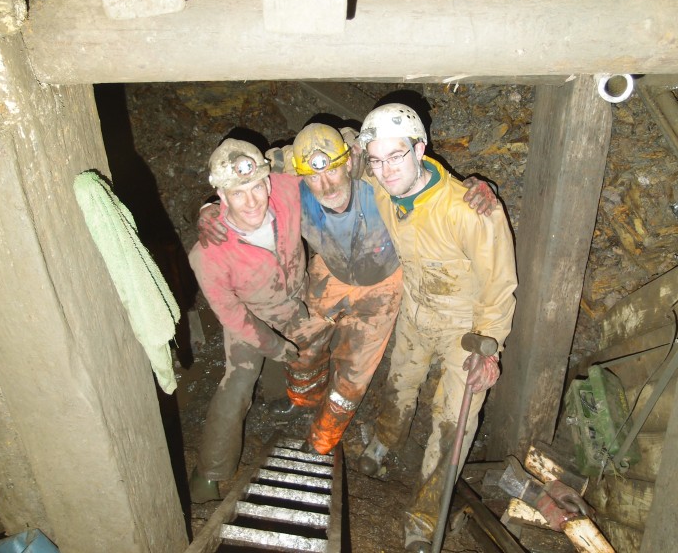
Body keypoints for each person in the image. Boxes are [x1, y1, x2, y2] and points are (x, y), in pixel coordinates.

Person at [197, 123, 499, 458]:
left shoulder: (376, 179)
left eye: (333, 172)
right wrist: (212, 208)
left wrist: (466, 188)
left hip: (383, 285)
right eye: (313, 177)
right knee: (303, 346)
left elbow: (419, 177)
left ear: (349, 161)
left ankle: (320, 443)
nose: (325, 186)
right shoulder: (289, 186)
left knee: (353, 375)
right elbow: (254, 175)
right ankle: (303, 399)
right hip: (328, 270)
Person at [354, 103, 518, 553]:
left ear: (420, 149)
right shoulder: (381, 184)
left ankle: (424, 518)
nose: (386, 170)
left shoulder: (469, 209)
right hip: (414, 309)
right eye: (377, 159)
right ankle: (386, 440)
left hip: (463, 328)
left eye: (396, 156)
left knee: (453, 421)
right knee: (400, 381)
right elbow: (324, 162)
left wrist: (489, 347)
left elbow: (500, 284)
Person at [187, 138, 310, 503]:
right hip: (250, 315)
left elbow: (331, 165)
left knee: (305, 350)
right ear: (222, 197)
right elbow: (232, 316)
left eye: (257, 187)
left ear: (269, 182)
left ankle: (279, 398)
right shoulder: (208, 255)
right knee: (239, 381)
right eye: (239, 194)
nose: (253, 201)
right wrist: (275, 346)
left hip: (295, 296)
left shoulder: (287, 190)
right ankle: (209, 472)